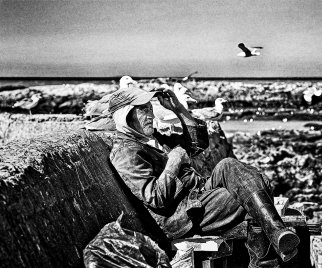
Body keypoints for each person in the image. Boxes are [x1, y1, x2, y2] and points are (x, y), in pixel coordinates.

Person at [109, 85, 300, 267]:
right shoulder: (126, 152)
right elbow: (156, 198)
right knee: (250, 192)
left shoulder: (151, 139)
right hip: (182, 214)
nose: (150, 114)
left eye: (150, 108)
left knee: (230, 165)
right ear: (126, 116)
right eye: (143, 110)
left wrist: (178, 108)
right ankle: (270, 251)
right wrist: (173, 162)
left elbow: (196, 143)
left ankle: (275, 235)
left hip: (197, 195)